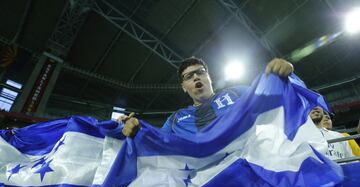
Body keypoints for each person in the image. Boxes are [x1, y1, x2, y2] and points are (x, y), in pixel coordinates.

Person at [121, 57, 294, 137]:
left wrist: (282, 78)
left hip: (253, 165)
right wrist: (130, 130)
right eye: (189, 77)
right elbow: (155, 143)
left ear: (209, 77)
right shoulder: (175, 120)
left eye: (200, 73)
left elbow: (275, 104)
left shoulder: (238, 92)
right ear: (183, 87)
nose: (196, 77)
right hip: (206, 184)